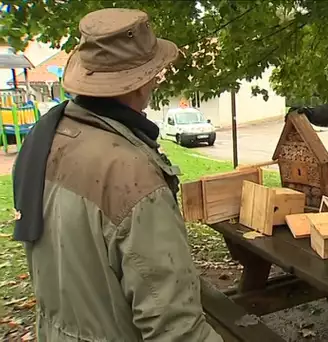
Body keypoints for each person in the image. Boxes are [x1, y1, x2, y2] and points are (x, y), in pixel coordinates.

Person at [12, 8, 223, 341]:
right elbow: (177, 329)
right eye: (154, 72)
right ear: (141, 83)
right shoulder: (133, 175)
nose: (157, 79)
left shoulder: (45, 137)